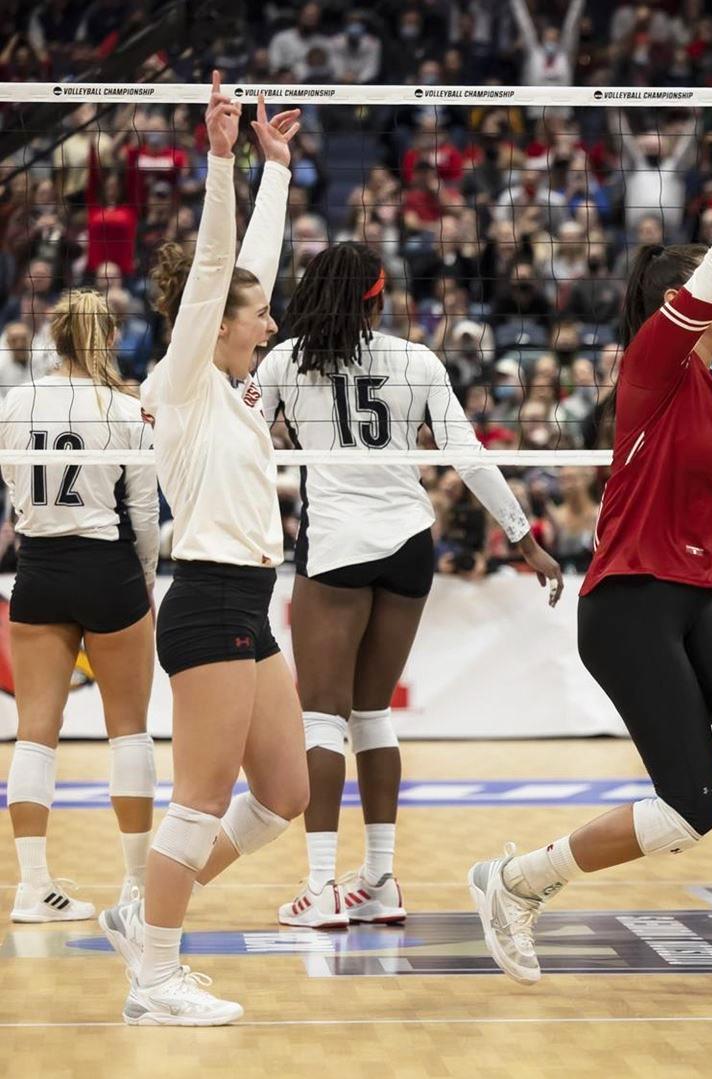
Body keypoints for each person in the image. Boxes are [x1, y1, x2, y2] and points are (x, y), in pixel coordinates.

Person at [466, 64, 712, 999]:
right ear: (677, 307)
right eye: (710, 292)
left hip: (687, 595)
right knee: (690, 808)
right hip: (628, 603)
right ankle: (517, 881)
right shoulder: (655, 363)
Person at [255, 241, 563, 929]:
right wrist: (524, 538)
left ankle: (321, 886)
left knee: (323, 718)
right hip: (407, 543)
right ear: (378, 299)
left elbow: (240, 441)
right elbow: (468, 456)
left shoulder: (285, 361)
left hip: (336, 543)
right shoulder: (415, 359)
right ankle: (380, 880)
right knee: (372, 715)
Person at [94, 81, 305, 1027]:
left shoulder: (230, 381)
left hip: (249, 603)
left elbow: (247, 267)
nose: (271, 324)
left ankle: (146, 912)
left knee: (286, 791)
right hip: (209, 601)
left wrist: (275, 172)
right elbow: (222, 268)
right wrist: (221, 162)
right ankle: (154, 975)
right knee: (201, 798)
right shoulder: (183, 381)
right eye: (257, 316)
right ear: (215, 320)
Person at [1, 289, 159, 923]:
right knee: (129, 730)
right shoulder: (124, 407)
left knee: (34, 734)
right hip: (106, 568)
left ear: (54, 338)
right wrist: (143, 580)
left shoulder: (14, 402)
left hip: (38, 568)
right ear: (109, 338)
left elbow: (13, 482)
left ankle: (32, 887)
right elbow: (143, 511)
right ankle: (138, 890)